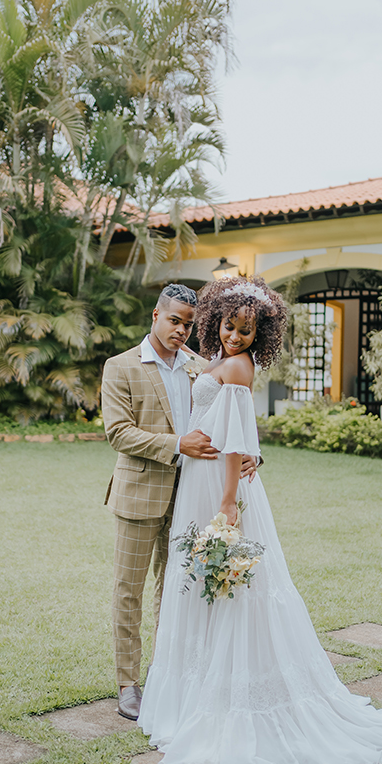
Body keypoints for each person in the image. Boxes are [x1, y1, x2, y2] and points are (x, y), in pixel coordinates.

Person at [139, 275, 382, 764]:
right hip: (201, 478)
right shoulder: (215, 360)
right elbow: (238, 436)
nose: (235, 337)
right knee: (207, 588)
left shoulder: (236, 369)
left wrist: (228, 504)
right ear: (216, 321)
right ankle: (197, 691)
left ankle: (220, 699)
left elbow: (232, 444)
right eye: (229, 326)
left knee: (224, 589)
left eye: (247, 332)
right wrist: (246, 458)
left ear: (259, 335)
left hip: (216, 486)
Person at [101, 283, 258, 720]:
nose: (181, 331)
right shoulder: (121, 366)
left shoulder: (199, 366)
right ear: (156, 315)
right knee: (129, 592)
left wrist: (251, 453)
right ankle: (128, 684)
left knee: (177, 591)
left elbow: (228, 411)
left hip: (193, 496)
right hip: (140, 494)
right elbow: (118, 432)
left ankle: (166, 674)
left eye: (188, 324)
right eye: (174, 321)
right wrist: (177, 445)